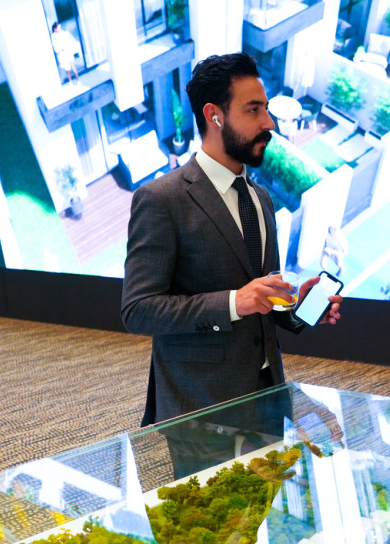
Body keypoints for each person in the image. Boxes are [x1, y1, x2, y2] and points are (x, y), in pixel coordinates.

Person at [121, 52, 342, 437]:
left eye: (266, 109)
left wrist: (296, 305)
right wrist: (234, 302)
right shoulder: (160, 200)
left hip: (267, 398)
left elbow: (262, 303)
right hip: (200, 412)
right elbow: (138, 310)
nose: (269, 123)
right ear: (215, 116)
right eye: (253, 110)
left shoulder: (262, 199)